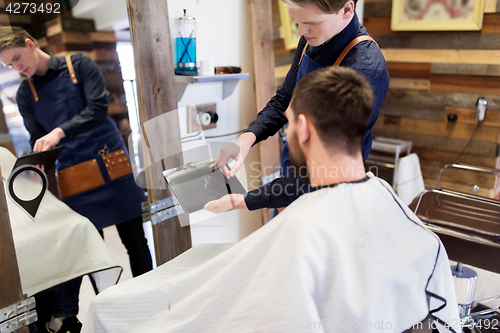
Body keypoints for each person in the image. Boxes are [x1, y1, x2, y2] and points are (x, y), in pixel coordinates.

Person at [82, 66, 459, 333]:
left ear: (305, 129)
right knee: (206, 260)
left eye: (288, 122)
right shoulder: (385, 194)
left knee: (113, 306)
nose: (284, 134)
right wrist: (243, 202)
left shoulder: (303, 226)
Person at [0, 27, 153, 333]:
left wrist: (57, 132)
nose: (18, 68)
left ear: (30, 44)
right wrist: (38, 158)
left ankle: (148, 302)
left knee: (135, 241)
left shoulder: (78, 64)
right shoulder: (24, 94)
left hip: (110, 163)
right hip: (72, 174)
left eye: (17, 58)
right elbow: (35, 137)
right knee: (86, 252)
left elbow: (97, 110)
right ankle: (110, 311)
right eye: (10, 65)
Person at [206, 0, 390, 214]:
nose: (302, 31)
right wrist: (246, 139)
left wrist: (244, 201)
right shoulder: (311, 39)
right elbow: (285, 98)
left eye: (311, 22)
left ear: (347, 10)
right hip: (289, 184)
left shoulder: (365, 69)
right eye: (297, 21)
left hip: (326, 196)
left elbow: (324, 171)